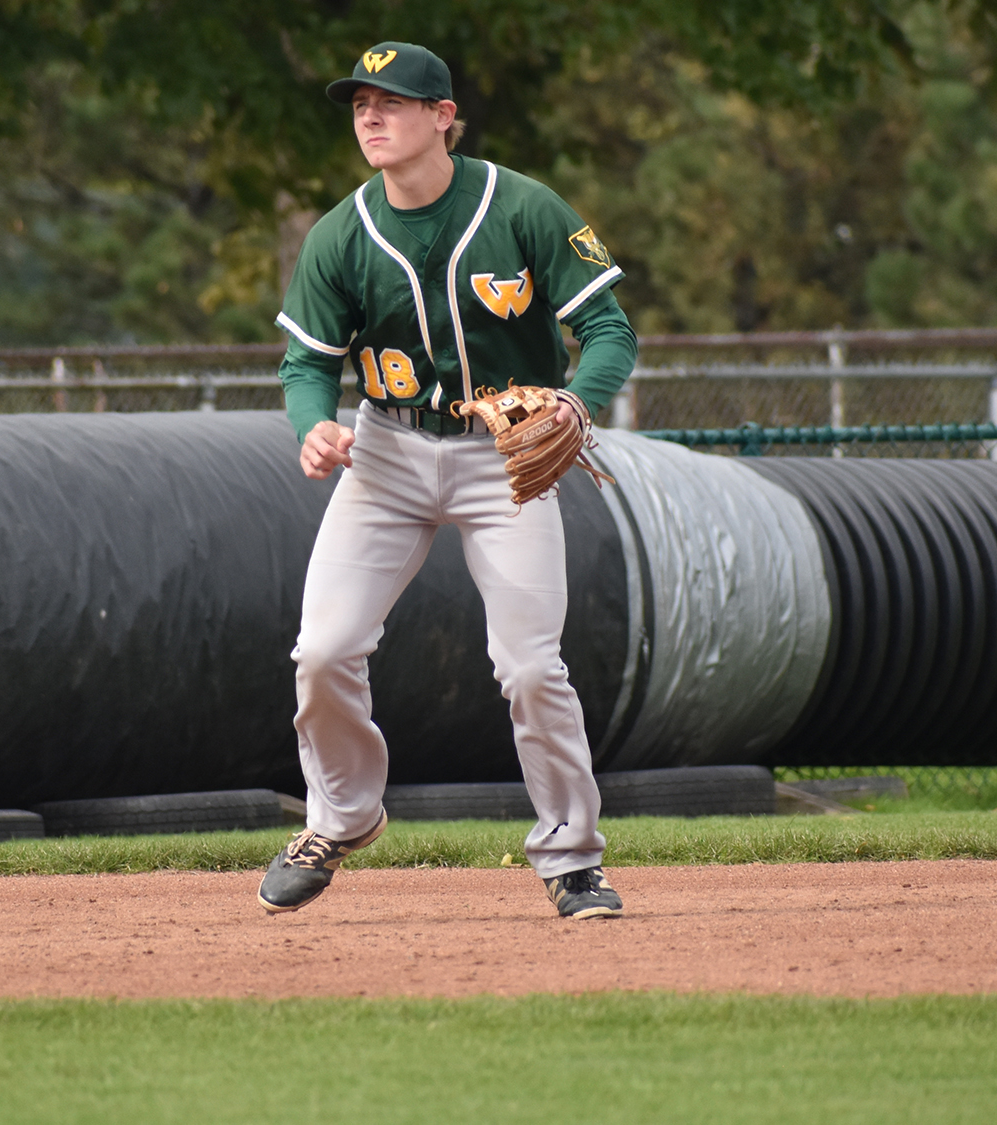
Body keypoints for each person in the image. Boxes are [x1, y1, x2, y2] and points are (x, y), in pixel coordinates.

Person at [259, 41, 637, 920]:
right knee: (321, 651)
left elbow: (609, 331)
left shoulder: (524, 209)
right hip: (384, 453)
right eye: (360, 105)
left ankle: (573, 859)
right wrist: (312, 422)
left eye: (392, 102)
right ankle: (343, 816)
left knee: (532, 667)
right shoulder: (341, 234)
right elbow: (305, 362)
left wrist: (578, 406)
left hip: (502, 455)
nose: (371, 118)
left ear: (443, 116)